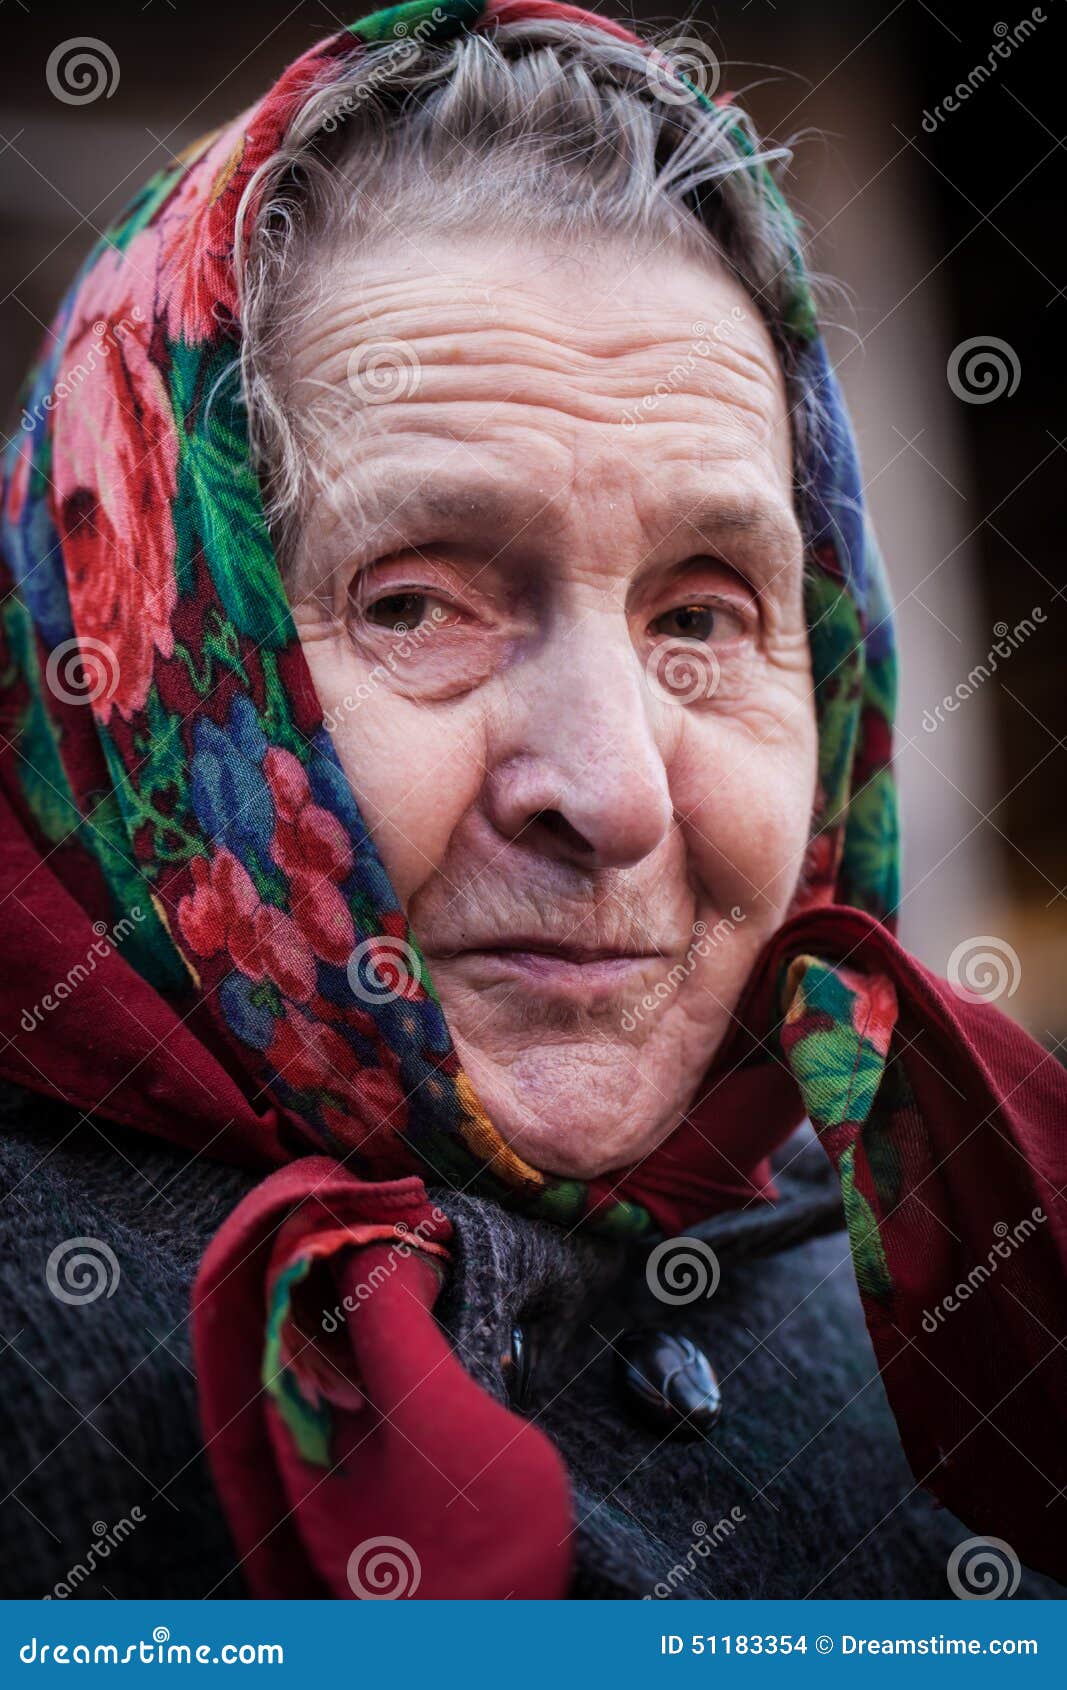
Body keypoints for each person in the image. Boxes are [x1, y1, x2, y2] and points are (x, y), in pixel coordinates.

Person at [0, 0, 1064, 1601]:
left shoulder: (958, 1282)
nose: (618, 792)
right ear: (146, 647)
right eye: (418, 602)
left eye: (701, 617)